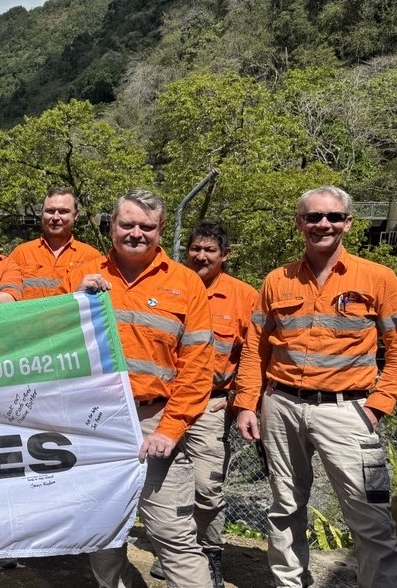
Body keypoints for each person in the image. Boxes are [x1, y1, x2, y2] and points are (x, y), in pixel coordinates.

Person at [235, 186, 397, 588]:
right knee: (285, 507)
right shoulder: (277, 280)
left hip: (349, 411)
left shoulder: (378, 277)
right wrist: (245, 403)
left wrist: (378, 405)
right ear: (299, 223)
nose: (322, 224)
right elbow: (256, 348)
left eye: (332, 217)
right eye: (312, 217)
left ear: (348, 223)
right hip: (281, 406)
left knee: (370, 516)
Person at [61, 190, 215, 588]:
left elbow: (198, 366)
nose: (136, 233)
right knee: (102, 530)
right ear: (111, 226)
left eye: (147, 226)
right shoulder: (82, 274)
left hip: (154, 420)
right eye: (127, 224)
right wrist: (73, 300)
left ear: (161, 230)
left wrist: (171, 427)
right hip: (95, 422)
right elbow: (50, 347)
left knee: (173, 534)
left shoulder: (186, 284)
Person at [149, 221, 257, 587]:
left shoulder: (243, 296)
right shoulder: (171, 285)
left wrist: (238, 402)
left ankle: (209, 552)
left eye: (210, 250)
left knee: (206, 489)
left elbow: (252, 355)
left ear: (225, 255)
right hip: (162, 405)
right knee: (166, 484)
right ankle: (175, 552)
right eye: (196, 248)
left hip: (210, 407)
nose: (201, 255)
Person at [9, 187, 100, 299]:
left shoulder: (91, 257)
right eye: (50, 211)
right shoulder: (21, 254)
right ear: (42, 213)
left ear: (76, 215)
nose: (55, 217)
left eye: (63, 212)